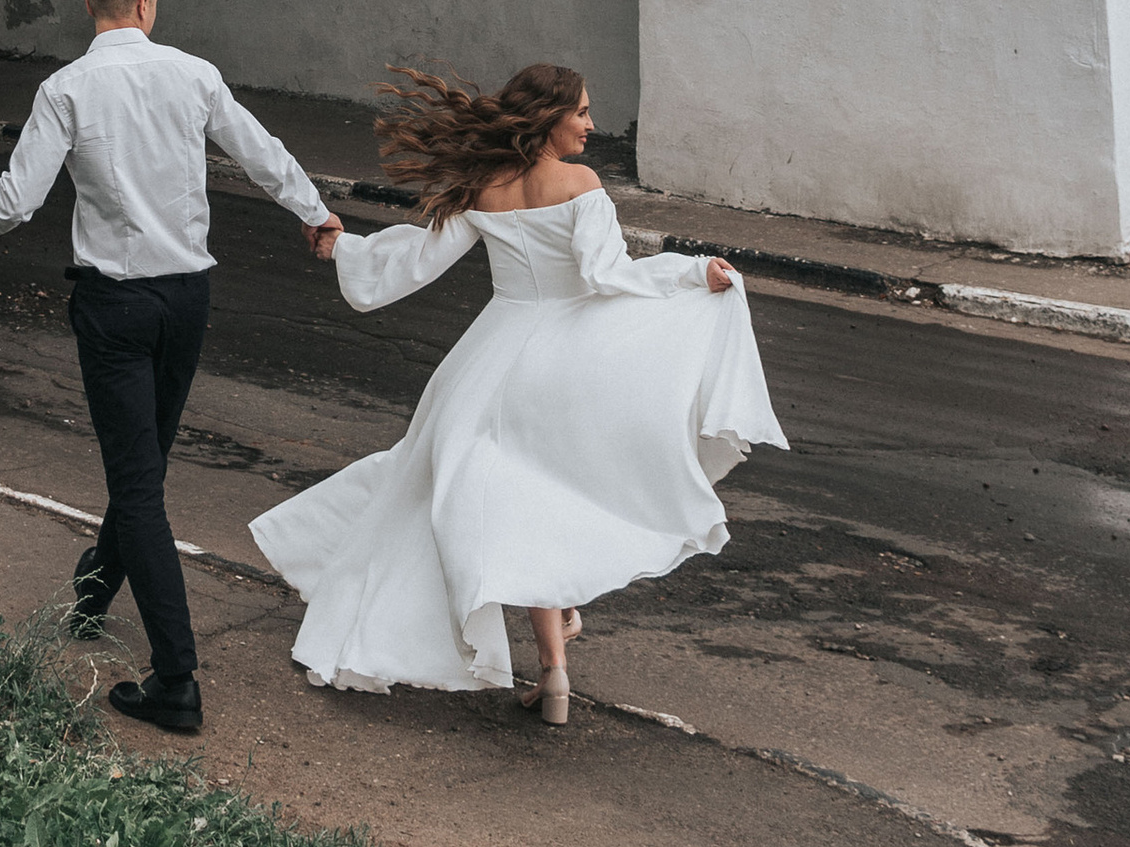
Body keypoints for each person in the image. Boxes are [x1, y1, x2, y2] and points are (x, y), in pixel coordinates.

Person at [250, 59, 784, 719]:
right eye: (582, 112)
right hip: (567, 361)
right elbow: (606, 272)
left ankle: (548, 666)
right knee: (540, 502)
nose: (592, 125)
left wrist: (344, 251)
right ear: (549, 117)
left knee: (498, 500)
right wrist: (691, 272)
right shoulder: (580, 184)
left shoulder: (484, 186)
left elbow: (418, 261)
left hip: (487, 361)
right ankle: (555, 663)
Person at [0, 0, 341, 736]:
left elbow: (18, 199)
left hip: (114, 308)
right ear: (148, 5)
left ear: (92, 7)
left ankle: (177, 679)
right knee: (144, 461)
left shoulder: (67, 88)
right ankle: (95, 587)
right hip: (187, 299)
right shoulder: (194, 75)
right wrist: (315, 212)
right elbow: (263, 155)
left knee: (138, 481)